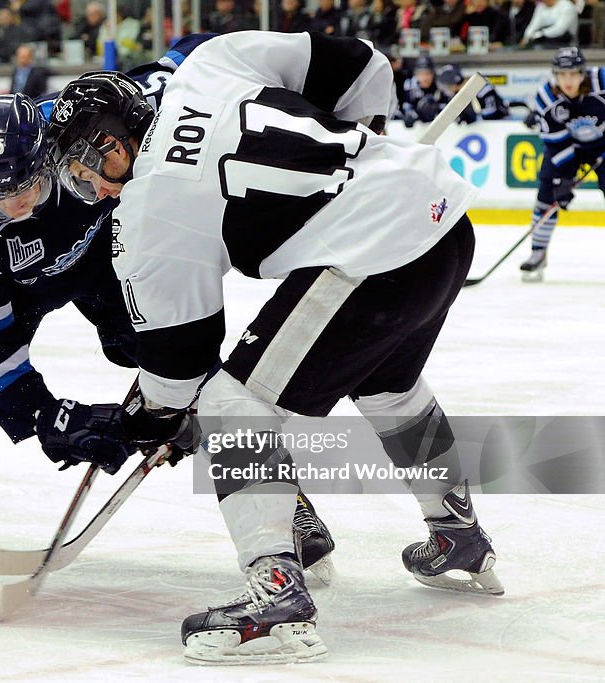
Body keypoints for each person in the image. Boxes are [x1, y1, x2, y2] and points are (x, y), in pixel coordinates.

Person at [45, 30, 502, 665]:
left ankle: (277, 591)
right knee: (389, 385)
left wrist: (153, 419)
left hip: (375, 258)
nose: (93, 186)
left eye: (89, 166)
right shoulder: (205, 68)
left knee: (233, 407)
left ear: (115, 138)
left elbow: (182, 360)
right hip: (441, 217)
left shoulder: (149, 208)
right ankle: (457, 533)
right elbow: (360, 62)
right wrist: (355, 155)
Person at [0, 39, 336, 579]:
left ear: (49, 153)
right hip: (8, 294)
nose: (10, 208)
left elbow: (180, 66)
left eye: (22, 189)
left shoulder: (82, 125)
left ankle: (288, 511)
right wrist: (46, 416)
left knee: (187, 369)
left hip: (105, 256)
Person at [520, 47, 605, 281]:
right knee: (548, 193)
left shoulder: (602, 81)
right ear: (554, 75)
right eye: (562, 74)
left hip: (602, 144)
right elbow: (556, 144)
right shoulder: (546, 98)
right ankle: (538, 253)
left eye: (573, 74)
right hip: (568, 147)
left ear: (583, 73)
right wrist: (564, 180)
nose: (568, 80)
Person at [436, 64, 510, 122]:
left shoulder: (481, 87)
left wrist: (473, 116)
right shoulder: (450, 95)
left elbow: (492, 114)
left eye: (447, 86)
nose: (445, 89)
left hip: (498, 127)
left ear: (454, 84)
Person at [398, 55, 439, 126]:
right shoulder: (410, 86)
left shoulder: (439, 86)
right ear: (416, 74)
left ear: (433, 74)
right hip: (417, 125)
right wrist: (411, 116)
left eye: (428, 73)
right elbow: (406, 106)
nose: (425, 78)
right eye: (421, 74)